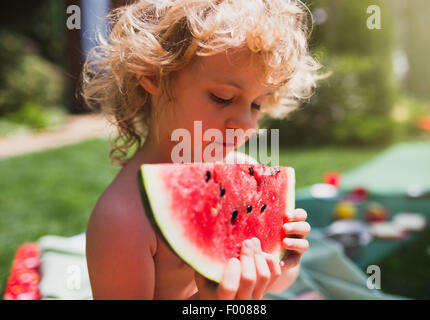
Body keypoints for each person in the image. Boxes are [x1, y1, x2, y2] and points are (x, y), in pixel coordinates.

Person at [82, 0, 321, 300]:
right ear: (153, 76)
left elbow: (274, 284)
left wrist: (285, 261)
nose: (247, 123)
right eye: (223, 97)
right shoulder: (122, 219)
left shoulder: (241, 170)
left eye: (257, 104)